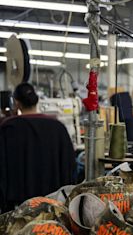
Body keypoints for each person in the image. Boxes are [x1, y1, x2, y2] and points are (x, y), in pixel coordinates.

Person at [0, 83, 76, 212]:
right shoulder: (58, 127)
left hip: (18, 207)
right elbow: (69, 165)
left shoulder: (8, 128)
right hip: (53, 204)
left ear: (17, 103)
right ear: (37, 101)